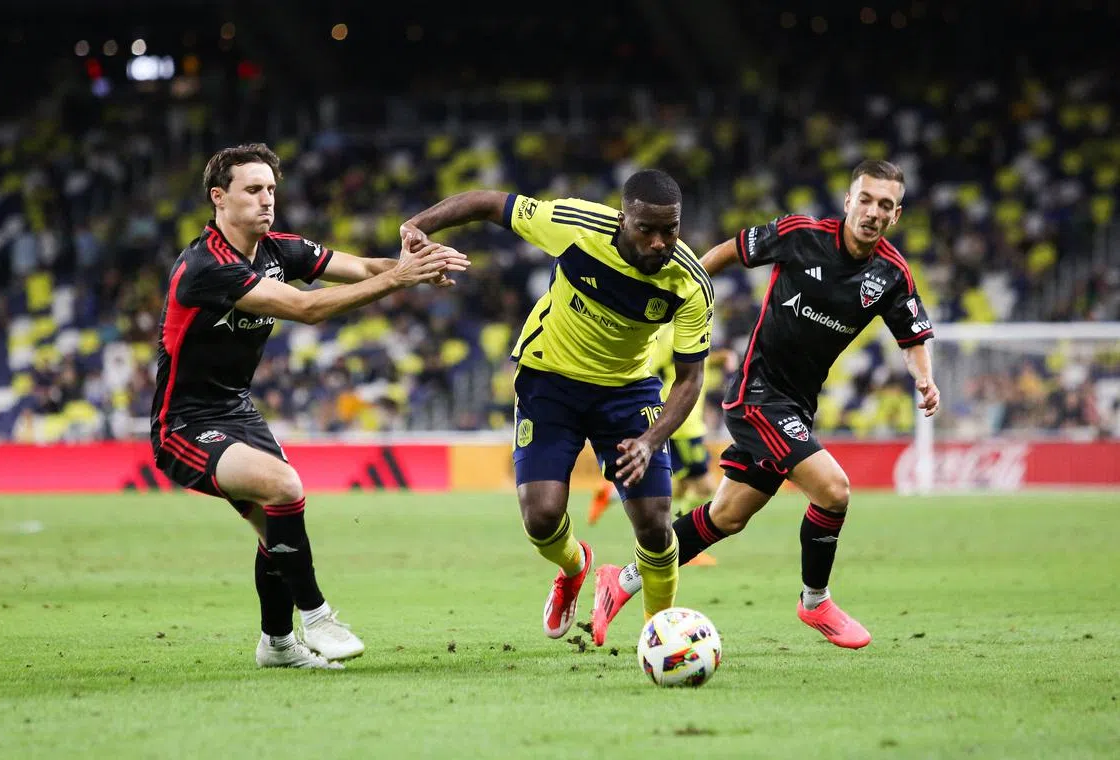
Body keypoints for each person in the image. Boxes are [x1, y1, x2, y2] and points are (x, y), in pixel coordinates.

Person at [591, 159, 940, 648]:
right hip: (756, 393)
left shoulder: (891, 274)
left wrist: (925, 379)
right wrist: (677, 293)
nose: (873, 211)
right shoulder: (800, 234)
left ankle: (621, 580)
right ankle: (815, 602)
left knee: (726, 516)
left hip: (797, 406)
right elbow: (725, 252)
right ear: (848, 201)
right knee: (834, 491)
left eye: (885, 204)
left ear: (895, 215)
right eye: (865, 199)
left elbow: (912, 334)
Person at [151, 143, 468, 669]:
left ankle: (276, 644)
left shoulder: (281, 250)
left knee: (275, 528)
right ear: (219, 198)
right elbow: (306, 307)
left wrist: (416, 265)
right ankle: (318, 617)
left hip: (237, 412)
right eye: (253, 189)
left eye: (271, 189)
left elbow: (363, 265)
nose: (267, 199)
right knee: (284, 488)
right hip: (184, 422)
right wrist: (397, 279)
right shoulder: (205, 267)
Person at [400, 170, 714, 637]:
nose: (658, 242)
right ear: (623, 218)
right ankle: (574, 568)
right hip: (550, 380)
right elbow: (489, 201)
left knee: (654, 523)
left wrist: (650, 441)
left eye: (670, 230)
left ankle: (659, 631)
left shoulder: (689, 282)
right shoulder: (577, 225)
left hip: (626, 390)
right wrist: (418, 225)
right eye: (645, 229)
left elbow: (690, 379)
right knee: (542, 516)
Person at [587, 323, 739, 567]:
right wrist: (724, 357)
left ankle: (611, 494)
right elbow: (675, 363)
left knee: (678, 488)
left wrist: (720, 359)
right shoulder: (676, 331)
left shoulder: (666, 330)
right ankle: (686, 543)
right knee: (703, 486)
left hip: (680, 418)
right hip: (684, 421)